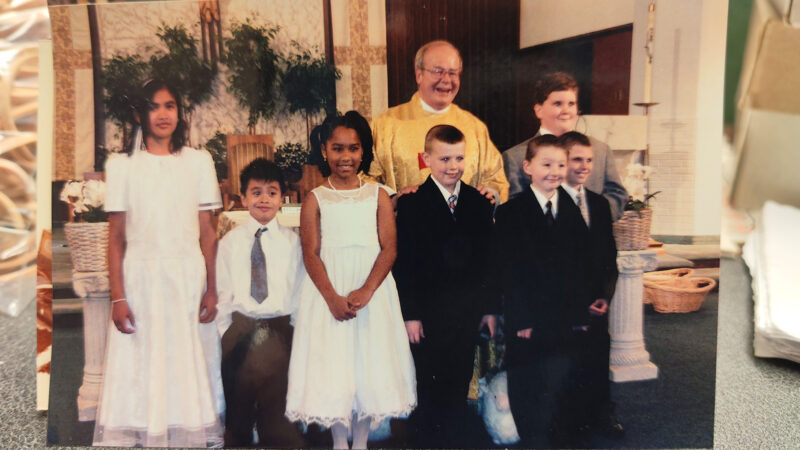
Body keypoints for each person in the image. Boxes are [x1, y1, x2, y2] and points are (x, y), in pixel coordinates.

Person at [94, 79, 224, 447]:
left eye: (170, 105)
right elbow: (116, 238)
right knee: (143, 360)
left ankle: (185, 431)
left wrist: (212, 288)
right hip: (141, 279)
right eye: (153, 106)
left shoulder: (198, 162)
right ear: (139, 114)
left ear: (179, 113)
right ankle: (147, 430)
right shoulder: (122, 166)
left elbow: (208, 233)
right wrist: (118, 297)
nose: (163, 114)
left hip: (186, 278)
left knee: (183, 360)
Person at [285, 111, 416, 450]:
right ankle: (339, 443)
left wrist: (368, 289)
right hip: (330, 290)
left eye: (353, 149)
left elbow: (389, 248)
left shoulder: (378, 195)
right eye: (337, 148)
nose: (346, 157)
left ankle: (360, 443)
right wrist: (331, 297)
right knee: (336, 367)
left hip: (371, 290)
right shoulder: (315, 198)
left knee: (366, 366)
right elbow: (311, 253)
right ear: (324, 150)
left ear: (363, 151)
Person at [393, 125, 497, 447]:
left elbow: (488, 262)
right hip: (427, 315)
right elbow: (405, 263)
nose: (453, 166)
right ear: (426, 159)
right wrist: (411, 315)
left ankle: (453, 438)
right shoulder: (412, 204)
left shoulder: (478, 202)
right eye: (444, 159)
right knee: (428, 382)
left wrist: (489, 309)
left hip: (466, 313)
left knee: (459, 378)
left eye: (459, 158)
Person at [489, 135, 596, 447]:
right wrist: (520, 319)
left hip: (564, 319)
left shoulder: (572, 210)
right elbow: (508, 272)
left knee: (561, 384)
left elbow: (582, 267)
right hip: (527, 320)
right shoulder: (511, 212)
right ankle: (533, 440)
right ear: (528, 167)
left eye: (561, 165)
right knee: (529, 386)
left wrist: (581, 314)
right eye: (546, 164)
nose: (555, 171)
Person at [215, 158, 305, 447]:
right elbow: (223, 293)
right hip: (241, 327)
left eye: (272, 192)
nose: (264, 199)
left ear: (282, 198)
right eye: (256, 192)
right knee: (238, 407)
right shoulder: (229, 243)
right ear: (243, 198)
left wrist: (295, 331)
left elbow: (299, 291)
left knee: (277, 410)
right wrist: (225, 333)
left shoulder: (293, 243)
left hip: (280, 327)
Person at [368, 40, 509, 204]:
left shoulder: (475, 127)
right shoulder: (385, 125)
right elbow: (365, 178)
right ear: (419, 75)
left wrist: (490, 193)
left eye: (453, 73)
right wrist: (393, 198)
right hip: (408, 219)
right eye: (438, 71)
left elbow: (495, 178)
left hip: (463, 219)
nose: (447, 80)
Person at [558, 131, 623, 439]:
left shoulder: (599, 204)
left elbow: (609, 256)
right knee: (568, 364)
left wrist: (605, 296)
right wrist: (576, 303)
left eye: (588, 160)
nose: (584, 166)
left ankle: (601, 414)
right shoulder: (551, 204)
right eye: (576, 159)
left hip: (597, 301)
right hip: (565, 304)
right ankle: (571, 422)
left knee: (597, 358)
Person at [503, 72, 627, 219]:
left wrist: (590, 220)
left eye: (571, 104)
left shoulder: (600, 150)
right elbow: (514, 208)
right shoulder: (515, 157)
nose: (566, 111)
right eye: (558, 104)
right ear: (539, 110)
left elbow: (617, 194)